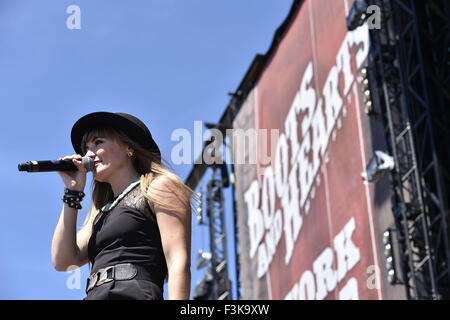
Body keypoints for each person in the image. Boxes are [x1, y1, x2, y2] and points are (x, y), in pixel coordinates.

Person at [51, 111, 197, 300]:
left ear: (129, 146)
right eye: (86, 148)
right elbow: (63, 261)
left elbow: (178, 261)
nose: (88, 154)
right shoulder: (101, 214)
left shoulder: (159, 187)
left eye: (98, 142)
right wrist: (72, 192)